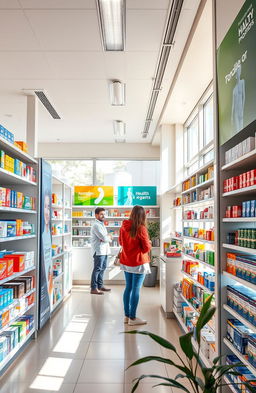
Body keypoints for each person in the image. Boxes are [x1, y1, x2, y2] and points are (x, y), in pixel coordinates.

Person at [119, 205, 151, 325]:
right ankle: (133, 318)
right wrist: (149, 243)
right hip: (138, 263)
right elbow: (146, 248)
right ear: (142, 215)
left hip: (127, 262)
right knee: (136, 289)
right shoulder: (141, 228)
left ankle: (126, 316)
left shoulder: (123, 227)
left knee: (128, 288)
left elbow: (121, 242)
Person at [90, 207, 112, 295]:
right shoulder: (96, 225)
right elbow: (104, 238)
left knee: (103, 268)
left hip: (104, 251)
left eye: (104, 214)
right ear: (96, 215)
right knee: (97, 269)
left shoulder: (102, 224)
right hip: (99, 251)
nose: (103, 216)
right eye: (101, 214)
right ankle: (93, 288)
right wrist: (109, 237)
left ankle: (100, 285)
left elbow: (105, 238)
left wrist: (107, 237)